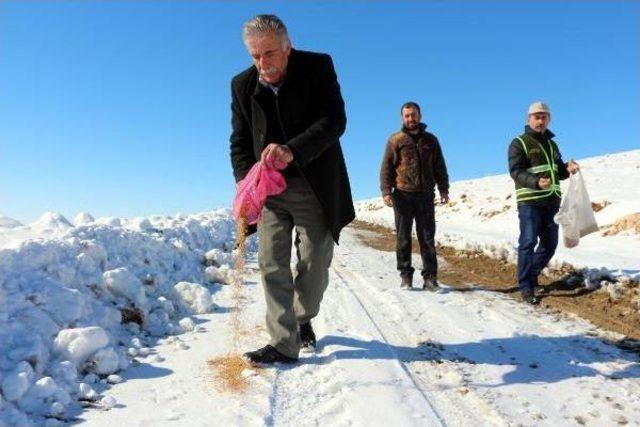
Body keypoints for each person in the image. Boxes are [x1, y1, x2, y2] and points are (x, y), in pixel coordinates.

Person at [229, 15, 355, 364]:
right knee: (271, 263)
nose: (262, 63)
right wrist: (247, 182)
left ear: (288, 47)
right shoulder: (241, 85)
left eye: (269, 53)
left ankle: (301, 318)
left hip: (313, 185)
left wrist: (292, 150)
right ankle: (284, 343)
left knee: (314, 264)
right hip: (269, 191)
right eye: (255, 56)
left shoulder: (318, 67)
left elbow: (334, 121)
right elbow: (239, 142)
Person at [508, 101, 579, 305]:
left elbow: (558, 172)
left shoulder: (552, 144)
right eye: (536, 117)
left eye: (544, 117)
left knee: (549, 245)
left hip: (551, 202)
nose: (540, 120)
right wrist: (536, 182)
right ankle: (526, 286)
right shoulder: (518, 143)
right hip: (530, 201)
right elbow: (516, 171)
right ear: (528, 119)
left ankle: (531, 275)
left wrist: (569, 169)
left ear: (549, 119)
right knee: (528, 242)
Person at [379, 102, 449, 290]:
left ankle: (430, 277)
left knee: (427, 238)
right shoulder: (396, 140)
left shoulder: (431, 140)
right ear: (402, 118)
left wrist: (444, 188)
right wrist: (386, 191)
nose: (411, 118)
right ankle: (405, 275)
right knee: (403, 238)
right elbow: (386, 167)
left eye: (414, 115)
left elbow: (439, 166)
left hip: (425, 195)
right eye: (407, 115)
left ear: (420, 115)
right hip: (402, 195)